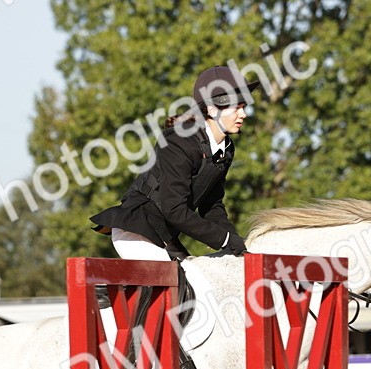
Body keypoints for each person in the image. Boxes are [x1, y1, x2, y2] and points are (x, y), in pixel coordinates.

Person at [91, 65, 256, 262]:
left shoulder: (226, 149)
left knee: (200, 285)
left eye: (244, 107)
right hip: (136, 230)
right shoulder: (179, 141)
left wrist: (236, 242)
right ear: (212, 109)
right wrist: (223, 239)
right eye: (236, 107)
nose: (243, 114)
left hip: (165, 235)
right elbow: (174, 209)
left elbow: (212, 205)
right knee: (188, 284)